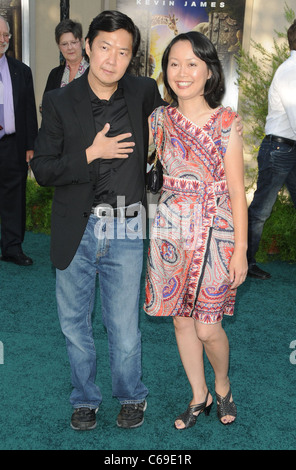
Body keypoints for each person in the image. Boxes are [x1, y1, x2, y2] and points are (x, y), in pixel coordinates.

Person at [30, 10, 164, 431]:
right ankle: (84, 398)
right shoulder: (58, 101)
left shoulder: (144, 92)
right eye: (104, 47)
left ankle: (130, 396)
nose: (112, 58)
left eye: (123, 51)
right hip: (77, 228)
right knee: (74, 325)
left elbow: (166, 135)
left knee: (124, 328)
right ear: (88, 47)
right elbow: (44, 170)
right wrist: (91, 152)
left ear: (132, 58)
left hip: (125, 225)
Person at [144, 31, 248, 428]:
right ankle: (198, 394)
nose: (181, 72)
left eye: (192, 64)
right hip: (171, 231)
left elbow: (238, 191)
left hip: (218, 234)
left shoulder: (227, 123)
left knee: (208, 326)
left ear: (208, 72)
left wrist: (241, 249)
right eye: (173, 63)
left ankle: (222, 385)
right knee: (181, 319)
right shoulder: (159, 120)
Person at [247, 19, 296, 280]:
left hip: (286, 149)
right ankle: (245, 262)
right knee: (260, 211)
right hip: (280, 149)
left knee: (260, 211)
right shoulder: (291, 71)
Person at [0, 16, 38, 266]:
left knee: (14, 199)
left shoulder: (21, 70)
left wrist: (30, 146)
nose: (3, 40)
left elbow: (27, 111)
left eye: (6, 35)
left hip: (12, 145)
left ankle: (12, 248)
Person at [43, 19, 89, 93]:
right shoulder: (54, 75)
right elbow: (47, 103)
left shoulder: (93, 71)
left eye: (73, 42)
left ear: (81, 41)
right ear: (59, 46)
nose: (70, 48)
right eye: (64, 44)